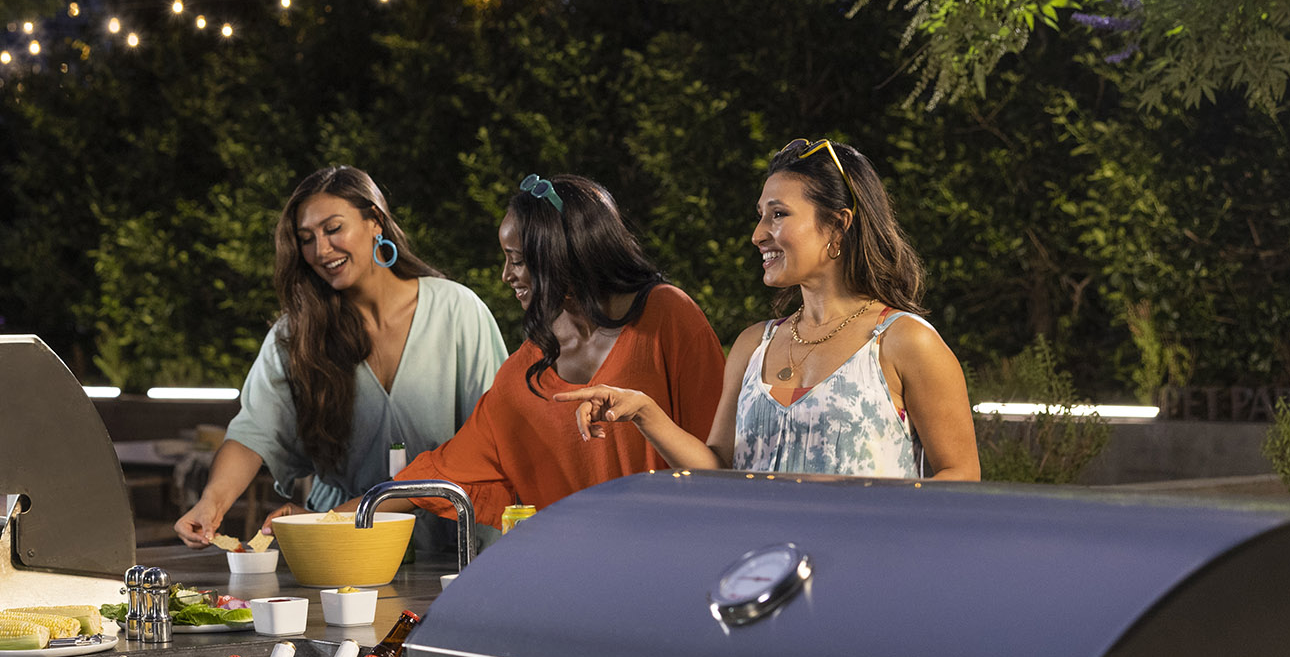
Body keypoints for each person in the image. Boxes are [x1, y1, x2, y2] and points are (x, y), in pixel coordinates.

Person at [555, 138, 979, 480]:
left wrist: (864, 501)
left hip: (865, 560)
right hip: (761, 560)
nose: (758, 234)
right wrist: (644, 411)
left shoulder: (905, 341)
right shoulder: (753, 345)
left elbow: (960, 476)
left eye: (778, 215)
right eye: (761, 215)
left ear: (838, 226)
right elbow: (719, 470)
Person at [175, 165, 507, 547]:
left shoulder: (457, 311)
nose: (321, 250)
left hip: (453, 539)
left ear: (375, 221)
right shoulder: (296, 334)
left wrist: (341, 516)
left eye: (333, 228)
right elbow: (254, 432)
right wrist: (211, 503)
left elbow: (491, 438)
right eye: (306, 239)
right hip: (340, 544)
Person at [371, 174, 725, 529]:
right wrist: (349, 517)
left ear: (559, 255)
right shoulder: (522, 377)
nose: (506, 275)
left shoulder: (667, 317)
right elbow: (436, 475)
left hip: (681, 553)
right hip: (573, 561)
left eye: (517, 260)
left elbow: (721, 467)